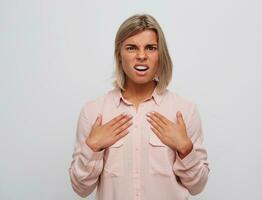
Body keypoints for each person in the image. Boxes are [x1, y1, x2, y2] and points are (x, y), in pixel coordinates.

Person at [69, 13, 210, 200]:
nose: (141, 56)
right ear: (119, 54)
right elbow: (81, 189)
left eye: (151, 48)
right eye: (131, 48)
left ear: (161, 55)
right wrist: (92, 148)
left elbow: (197, 186)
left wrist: (185, 149)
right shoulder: (94, 112)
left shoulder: (184, 111)